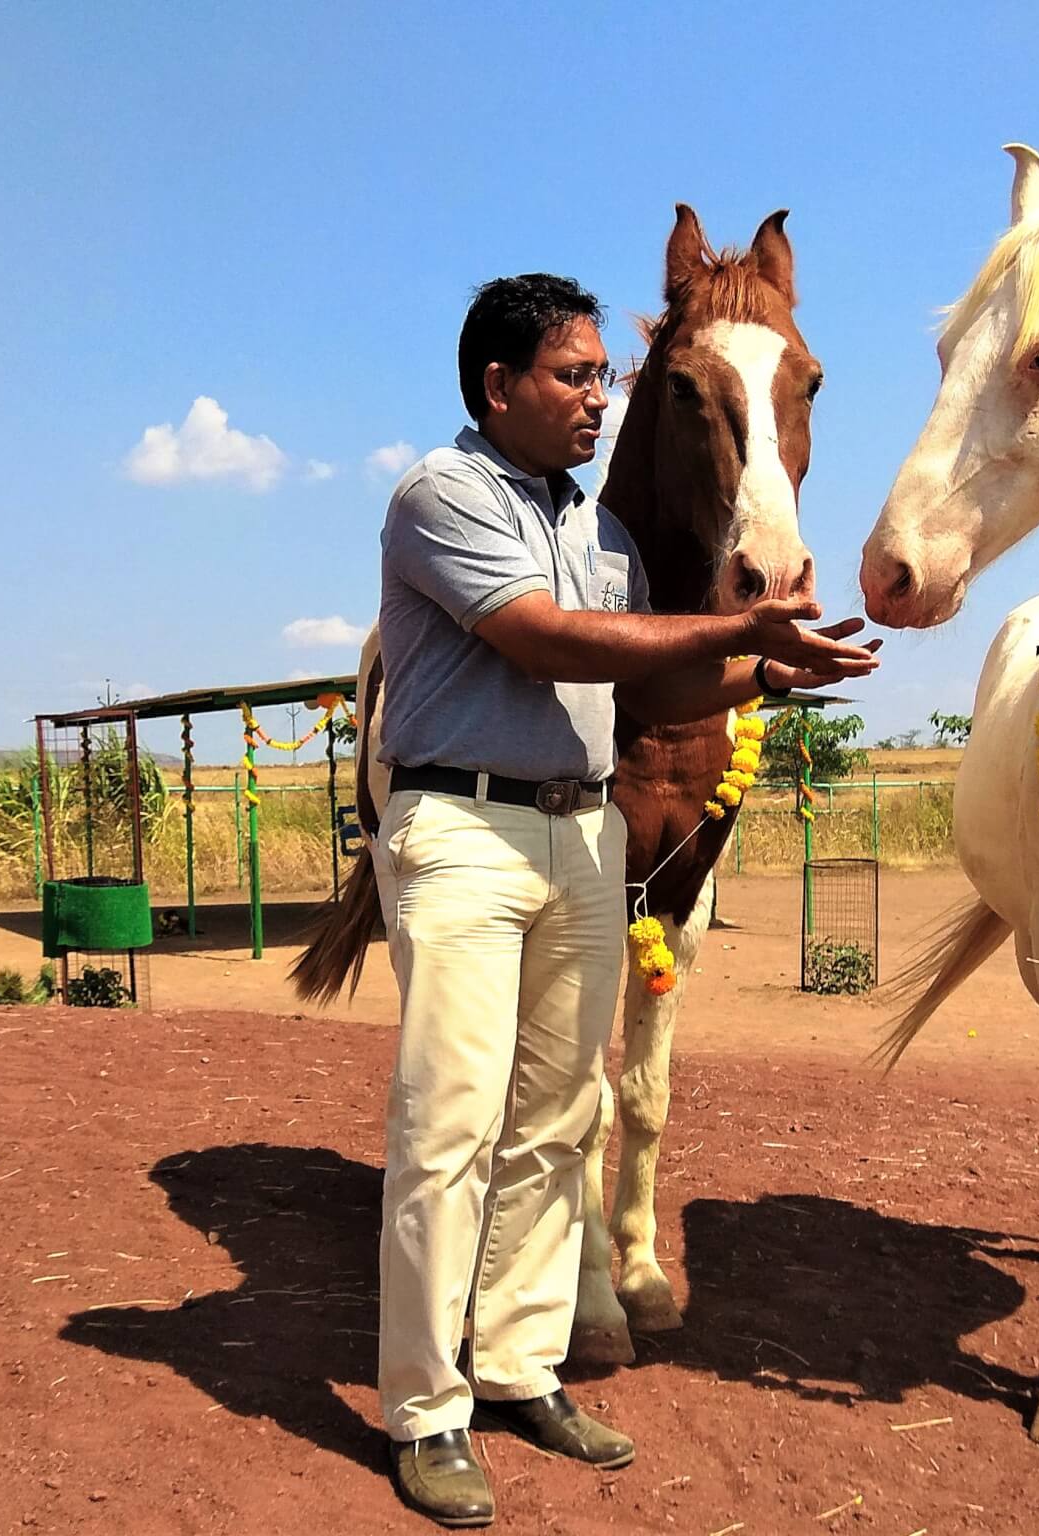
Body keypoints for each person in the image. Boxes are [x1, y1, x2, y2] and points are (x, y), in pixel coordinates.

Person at [373, 272, 878, 1528]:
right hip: (467, 831)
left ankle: (518, 1366)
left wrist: (773, 671)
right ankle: (427, 1413)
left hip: (578, 839)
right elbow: (548, 643)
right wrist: (726, 636)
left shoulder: (604, 541)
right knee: (451, 1134)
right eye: (575, 375)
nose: (602, 396)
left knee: (557, 1120)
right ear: (498, 386)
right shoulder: (441, 497)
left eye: (605, 375)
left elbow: (644, 705)